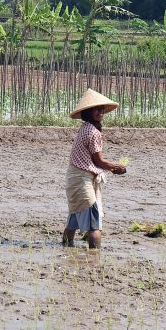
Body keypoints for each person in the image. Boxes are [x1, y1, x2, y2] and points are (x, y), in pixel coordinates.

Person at [62, 88, 127, 250]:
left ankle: (65, 247)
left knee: (74, 220)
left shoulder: (86, 128)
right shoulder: (92, 131)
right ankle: (94, 257)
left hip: (75, 179)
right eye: (96, 109)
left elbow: (95, 160)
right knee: (94, 225)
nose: (100, 112)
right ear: (88, 112)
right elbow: (98, 161)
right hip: (81, 179)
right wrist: (115, 167)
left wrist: (111, 166)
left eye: (101, 109)